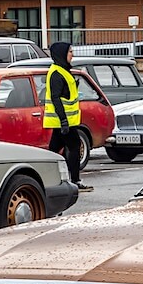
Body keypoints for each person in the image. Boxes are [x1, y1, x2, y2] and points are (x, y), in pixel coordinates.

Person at [43, 41, 92, 192]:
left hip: (64, 121)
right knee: (74, 146)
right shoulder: (57, 73)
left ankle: (46, 177)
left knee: (53, 150)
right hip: (63, 121)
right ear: (62, 54)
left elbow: (66, 95)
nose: (73, 54)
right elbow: (56, 98)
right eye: (70, 52)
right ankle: (75, 180)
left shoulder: (63, 70)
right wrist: (64, 120)